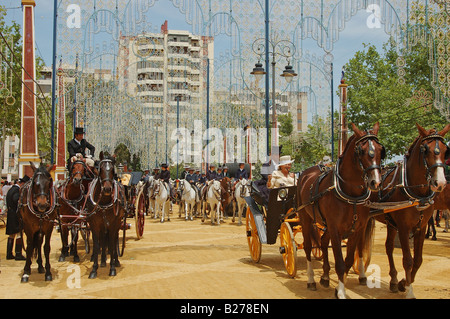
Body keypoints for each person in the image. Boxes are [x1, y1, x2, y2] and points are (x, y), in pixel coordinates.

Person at [5, 176, 29, 260]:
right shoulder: (16, 190)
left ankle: (9, 254)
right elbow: (16, 200)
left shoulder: (11, 189)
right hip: (15, 215)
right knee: (19, 233)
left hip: (10, 214)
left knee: (12, 235)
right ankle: (18, 254)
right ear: (22, 183)